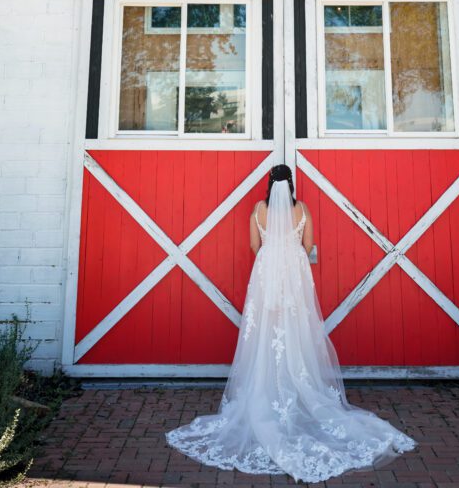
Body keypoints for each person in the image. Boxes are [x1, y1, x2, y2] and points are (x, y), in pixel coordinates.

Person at [165, 163, 416, 482]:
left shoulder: (258, 209)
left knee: (266, 334)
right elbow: (308, 246)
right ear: (292, 185)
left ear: (269, 184)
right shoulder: (302, 209)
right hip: (294, 274)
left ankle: (267, 387)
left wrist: (273, 252)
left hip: (267, 272)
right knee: (296, 331)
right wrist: (292, 253)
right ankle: (296, 390)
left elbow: (255, 247)